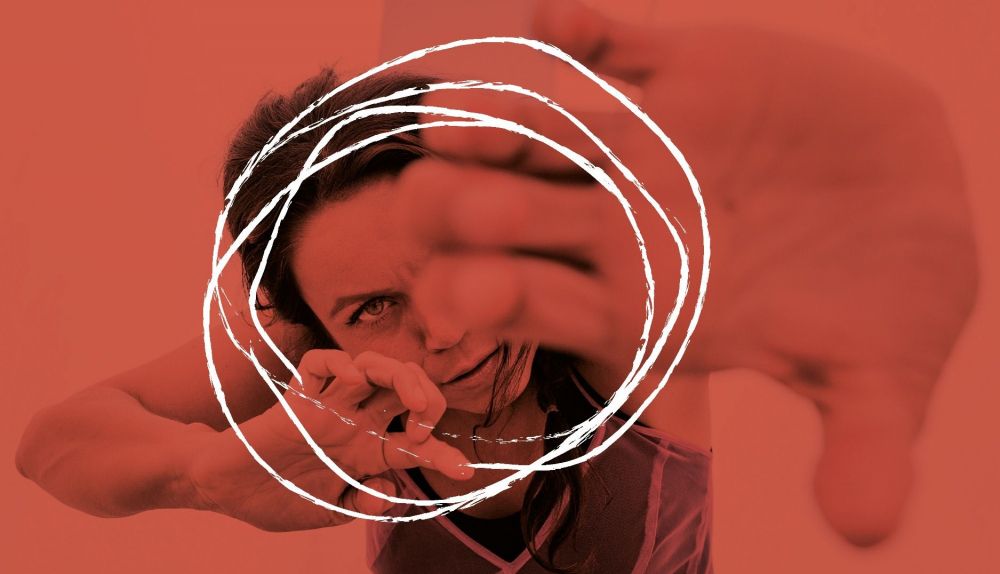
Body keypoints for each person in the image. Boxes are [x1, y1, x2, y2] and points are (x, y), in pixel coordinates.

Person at [15, 0, 977, 572]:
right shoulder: (313, 349)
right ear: (313, 327)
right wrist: (211, 474)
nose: (441, 328)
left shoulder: (607, 314)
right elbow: (53, 443)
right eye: (373, 309)